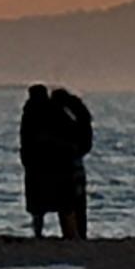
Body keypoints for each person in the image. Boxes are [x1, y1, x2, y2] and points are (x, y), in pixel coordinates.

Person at [46, 86, 93, 244]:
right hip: (76, 162)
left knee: (67, 201)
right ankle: (80, 232)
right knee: (78, 201)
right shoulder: (78, 114)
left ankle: (71, 233)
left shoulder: (62, 117)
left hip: (66, 164)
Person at [16, 83, 62, 239]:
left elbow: (24, 137)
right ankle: (43, 231)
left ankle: (38, 231)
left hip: (38, 162)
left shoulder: (31, 111)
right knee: (46, 200)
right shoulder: (51, 110)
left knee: (38, 203)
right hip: (45, 162)